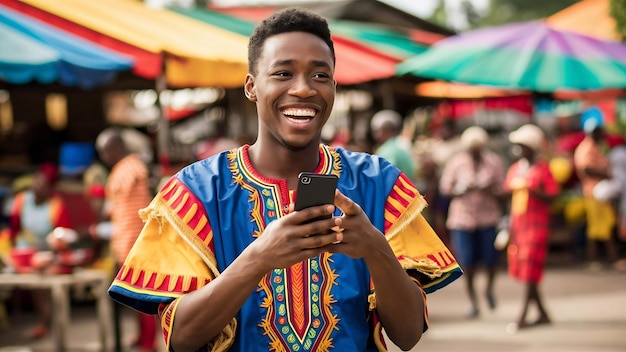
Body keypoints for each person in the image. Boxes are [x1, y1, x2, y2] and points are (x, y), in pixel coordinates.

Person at [108, 8, 461, 352]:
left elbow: (409, 334)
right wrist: (258, 258)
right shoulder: (195, 192)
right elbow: (181, 339)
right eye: (282, 74)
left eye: (320, 76)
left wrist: (375, 249)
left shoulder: (380, 184)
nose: (304, 89)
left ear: (334, 87)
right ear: (251, 86)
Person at [95, 128, 157, 352]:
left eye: (104, 152)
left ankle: (148, 343)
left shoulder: (125, 169)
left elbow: (117, 210)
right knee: (135, 295)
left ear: (115, 148)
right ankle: (143, 337)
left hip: (133, 243)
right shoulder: (132, 167)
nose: (104, 158)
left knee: (142, 295)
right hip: (131, 242)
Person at [439, 126, 505, 318]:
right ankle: (473, 301)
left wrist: (489, 189)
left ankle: (489, 289)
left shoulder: (493, 162)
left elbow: (502, 190)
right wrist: (460, 189)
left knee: (491, 260)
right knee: (467, 263)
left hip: (488, 218)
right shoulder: (456, 163)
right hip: (462, 220)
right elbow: (445, 189)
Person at [503, 124, 559, 332]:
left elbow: (553, 196)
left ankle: (522, 317)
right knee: (526, 270)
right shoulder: (516, 168)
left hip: (537, 226)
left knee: (529, 269)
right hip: (518, 225)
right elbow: (508, 193)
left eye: (522, 146)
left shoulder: (543, 169)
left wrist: (532, 190)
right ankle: (543, 313)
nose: (518, 150)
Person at [8, 163, 71, 339]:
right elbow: (13, 229)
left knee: (46, 285)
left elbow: (64, 236)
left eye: (42, 186)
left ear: (51, 189)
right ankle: (45, 322)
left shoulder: (57, 206)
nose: (37, 188)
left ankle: (50, 323)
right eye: (36, 182)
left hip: (45, 255)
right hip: (22, 254)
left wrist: (56, 246)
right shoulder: (21, 200)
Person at [573, 120, 619, 269]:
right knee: (597, 227)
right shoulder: (586, 148)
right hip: (594, 192)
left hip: (600, 191)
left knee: (605, 224)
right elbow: (586, 169)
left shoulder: (596, 147)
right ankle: (597, 259)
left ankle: (609, 258)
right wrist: (605, 175)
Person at [370, 109, 417, 181]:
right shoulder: (400, 146)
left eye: (377, 130)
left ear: (387, 130)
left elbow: (386, 177)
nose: (375, 135)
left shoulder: (388, 150)